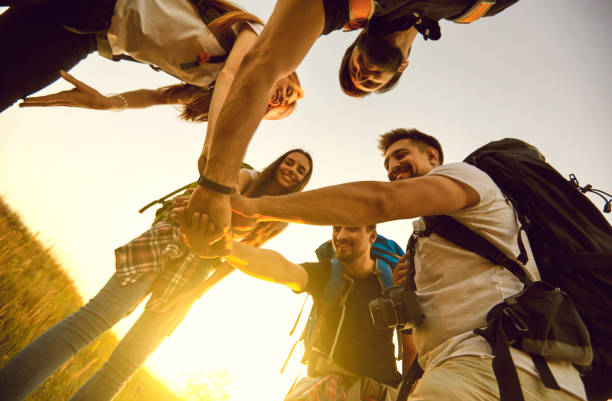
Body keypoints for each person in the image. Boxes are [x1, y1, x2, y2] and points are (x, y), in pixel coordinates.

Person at [194, 128, 586, 401]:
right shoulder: (424, 239)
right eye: (387, 163)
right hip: (503, 372)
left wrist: (254, 208)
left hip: (496, 368)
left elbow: (379, 201)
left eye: (401, 156)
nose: (392, 168)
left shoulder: (466, 178)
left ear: (433, 155)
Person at [181, 0, 520, 253]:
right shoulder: (473, 8)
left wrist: (216, 187)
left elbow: (265, 62)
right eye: (363, 78)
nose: (361, 76)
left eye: (362, 76)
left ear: (400, 68)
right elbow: (264, 63)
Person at [0, 149, 312, 401]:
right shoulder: (248, 176)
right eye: (290, 162)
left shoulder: (278, 219)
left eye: (301, 171)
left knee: (125, 365)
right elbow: (212, 209)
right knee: (93, 321)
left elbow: (235, 261)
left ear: (302, 183)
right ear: (278, 163)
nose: (293, 171)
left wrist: (195, 293)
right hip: (172, 240)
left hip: (197, 271)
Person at [181, 220, 410, 401]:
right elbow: (282, 269)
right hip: (329, 386)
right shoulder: (326, 274)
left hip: (383, 390)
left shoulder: (391, 282)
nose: (340, 236)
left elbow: (412, 342)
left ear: (371, 236)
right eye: (336, 228)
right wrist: (230, 248)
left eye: (351, 229)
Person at [0, 0, 304, 120]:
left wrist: (110, 102)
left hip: (93, 35)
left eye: (278, 107)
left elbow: (157, 96)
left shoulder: (210, 86)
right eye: (289, 91)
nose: (281, 98)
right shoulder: (254, 34)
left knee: (7, 87)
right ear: (288, 69)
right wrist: (212, 153)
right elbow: (229, 75)